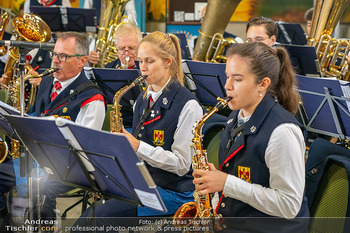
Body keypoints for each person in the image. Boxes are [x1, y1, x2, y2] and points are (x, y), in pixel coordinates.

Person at [74, 31, 203, 228]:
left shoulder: (188, 105)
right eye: (140, 61)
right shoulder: (142, 99)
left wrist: (137, 147)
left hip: (174, 192)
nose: (142, 68)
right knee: (95, 213)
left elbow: (182, 165)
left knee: (95, 218)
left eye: (149, 61)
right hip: (146, 183)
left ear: (168, 62)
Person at [193, 42, 309, 231]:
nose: (227, 86)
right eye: (227, 77)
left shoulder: (282, 132)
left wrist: (226, 182)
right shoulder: (236, 117)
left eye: (237, 79)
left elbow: (289, 206)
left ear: (262, 84)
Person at [0, 31, 106, 224]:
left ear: (82, 61)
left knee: (37, 194)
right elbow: (37, 116)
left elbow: (84, 151)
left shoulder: (92, 98)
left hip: (66, 168)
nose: (55, 61)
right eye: (54, 54)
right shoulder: (47, 81)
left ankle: (38, 222)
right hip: (34, 160)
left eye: (63, 56)